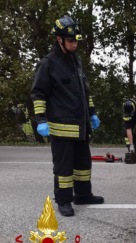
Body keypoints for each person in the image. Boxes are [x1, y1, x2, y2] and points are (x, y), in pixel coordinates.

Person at [31, 15, 104, 217]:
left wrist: (93, 113)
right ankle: (63, 200)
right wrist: (41, 120)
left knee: (83, 164)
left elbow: (84, 92)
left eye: (76, 40)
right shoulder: (48, 64)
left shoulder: (76, 61)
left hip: (81, 126)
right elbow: (38, 93)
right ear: (59, 39)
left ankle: (83, 194)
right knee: (64, 168)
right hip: (61, 127)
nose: (75, 44)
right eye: (71, 41)